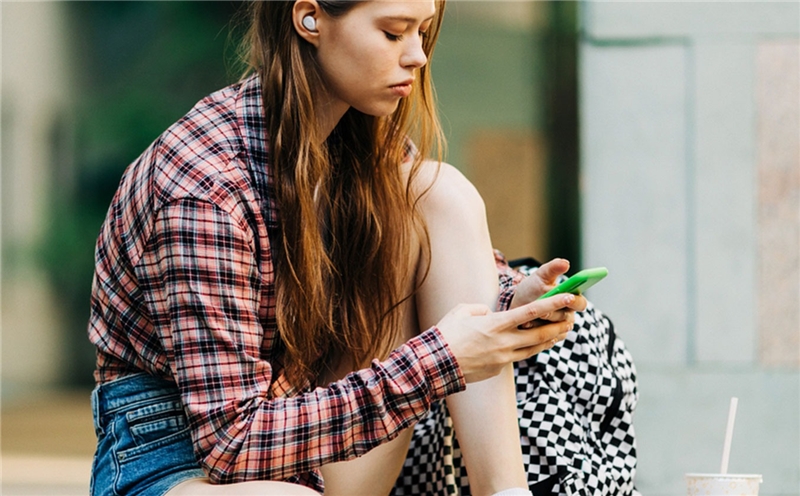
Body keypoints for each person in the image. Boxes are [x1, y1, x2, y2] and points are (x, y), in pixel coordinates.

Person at [86, 1, 587, 495]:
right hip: (176, 461)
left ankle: (504, 491)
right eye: (393, 33)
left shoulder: (361, 139)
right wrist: (438, 362)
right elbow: (231, 443)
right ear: (310, 18)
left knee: (438, 191)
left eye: (421, 32)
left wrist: (509, 305)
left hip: (307, 437)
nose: (417, 55)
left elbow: (442, 278)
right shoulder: (205, 188)